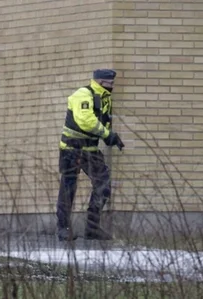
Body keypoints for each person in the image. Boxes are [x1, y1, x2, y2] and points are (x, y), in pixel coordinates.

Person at [56, 69, 124, 242]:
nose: (112, 87)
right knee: (68, 188)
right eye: (110, 84)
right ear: (100, 82)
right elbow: (85, 120)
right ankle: (63, 228)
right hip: (72, 148)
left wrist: (111, 137)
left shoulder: (104, 98)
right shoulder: (83, 94)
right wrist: (107, 135)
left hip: (91, 150)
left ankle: (92, 228)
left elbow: (102, 121)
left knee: (103, 184)